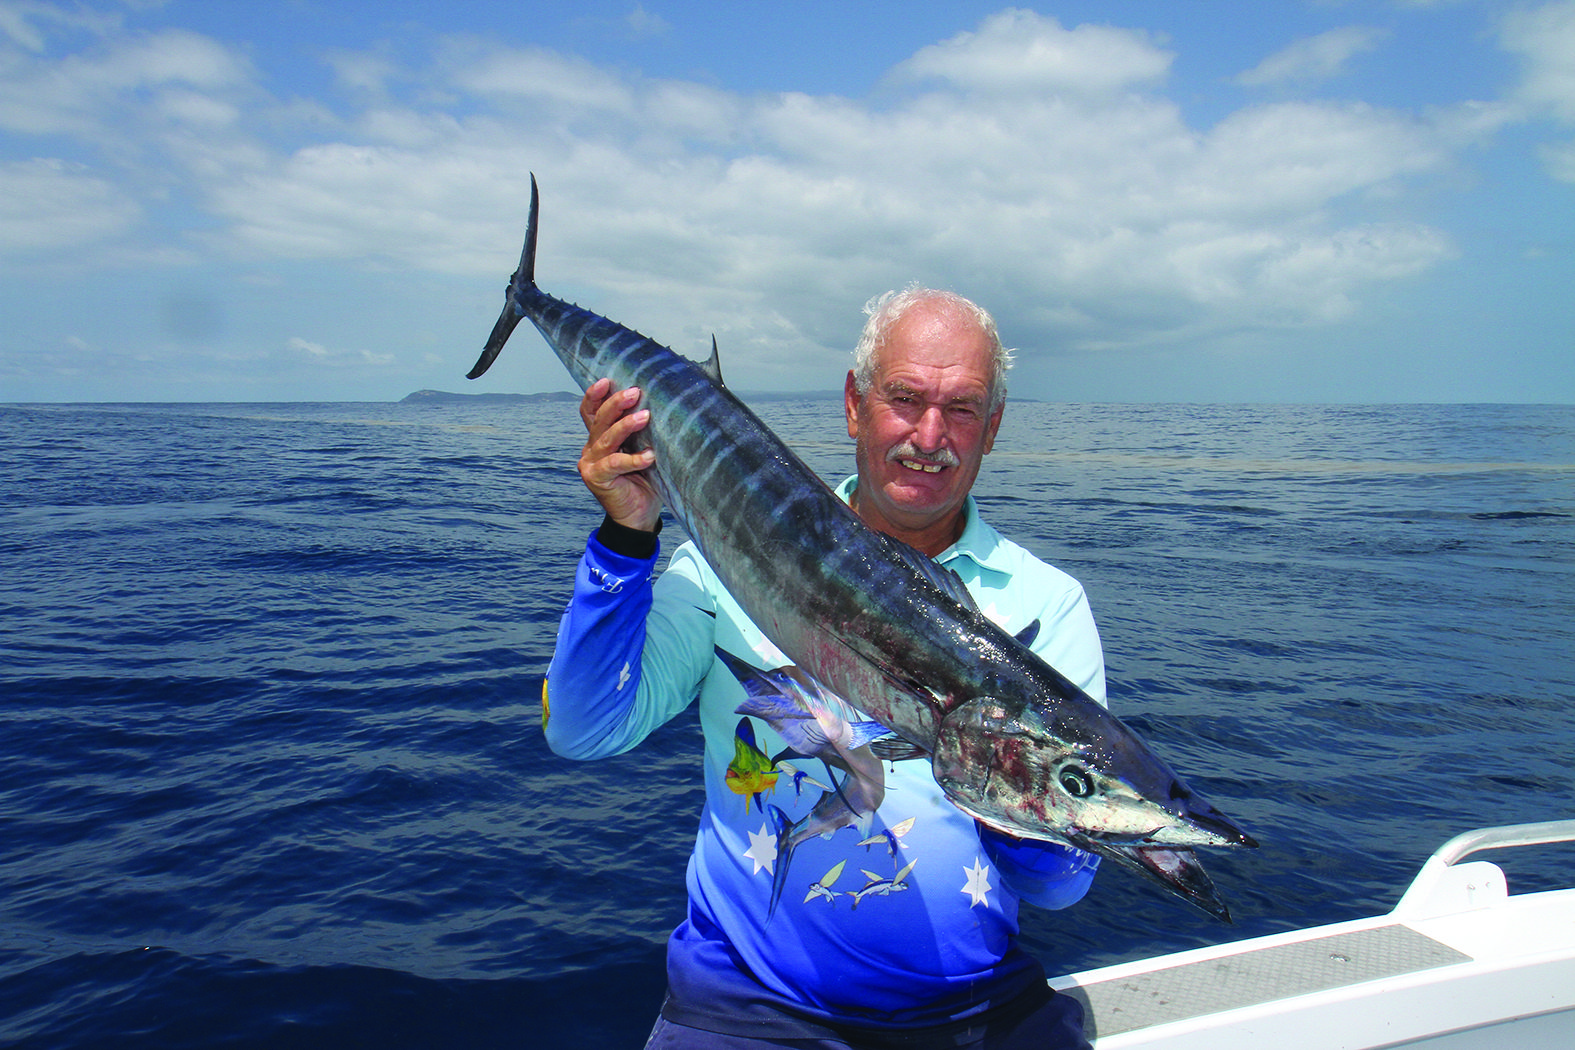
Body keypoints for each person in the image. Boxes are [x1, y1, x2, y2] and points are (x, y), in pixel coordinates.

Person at [544, 287, 1106, 1050]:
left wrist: (1014, 790)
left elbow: (1062, 885)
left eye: (963, 408)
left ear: (993, 428)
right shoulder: (716, 565)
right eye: (904, 399)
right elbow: (584, 730)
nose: (930, 435)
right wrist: (624, 537)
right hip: (745, 1008)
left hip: (971, 1010)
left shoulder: (1045, 602)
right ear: (853, 405)